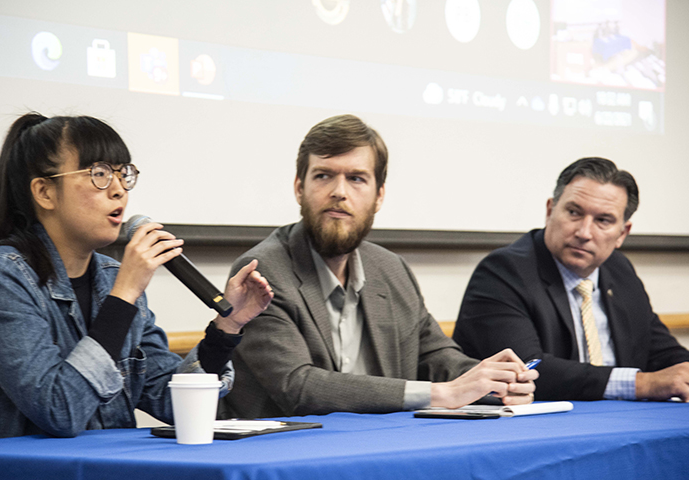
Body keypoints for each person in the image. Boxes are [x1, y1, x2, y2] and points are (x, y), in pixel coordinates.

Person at [0, 113, 273, 442]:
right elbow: (58, 410)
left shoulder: (112, 278)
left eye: (123, 174)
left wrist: (226, 329)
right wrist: (124, 295)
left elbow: (169, 400)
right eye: (99, 173)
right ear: (44, 192)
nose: (119, 190)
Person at [220, 114, 537, 419]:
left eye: (356, 178)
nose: (339, 192)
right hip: (290, 454)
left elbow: (435, 356)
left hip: (381, 444)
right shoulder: (262, 270)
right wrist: (441, 394)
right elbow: (299, 386)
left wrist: (492, 382)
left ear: (379, 196)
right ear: (299, 188)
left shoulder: (390, 268)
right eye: (323, 175)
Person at [453, 157, 689, 402]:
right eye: (574, 212)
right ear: (550, 210)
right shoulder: (504, 271)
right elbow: (527, 370)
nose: (584, 232)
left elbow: (658, 350)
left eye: (603, 220)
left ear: (622, 233)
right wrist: (641, 384)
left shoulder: (618, 270)